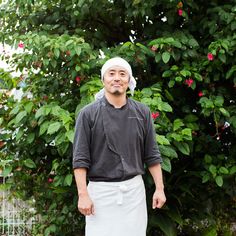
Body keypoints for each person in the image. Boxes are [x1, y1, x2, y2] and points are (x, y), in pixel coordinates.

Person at [73, 57, 166, 236]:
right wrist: (83, 194)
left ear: (128, 81)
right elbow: (80, 159)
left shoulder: (142, 112)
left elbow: (152, 155)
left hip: (133, 193)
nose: (117, 78)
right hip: (99, 195)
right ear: (103, 80)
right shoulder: (87, 114)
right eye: (112, 73)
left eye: (122, 74)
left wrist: (160, 189)